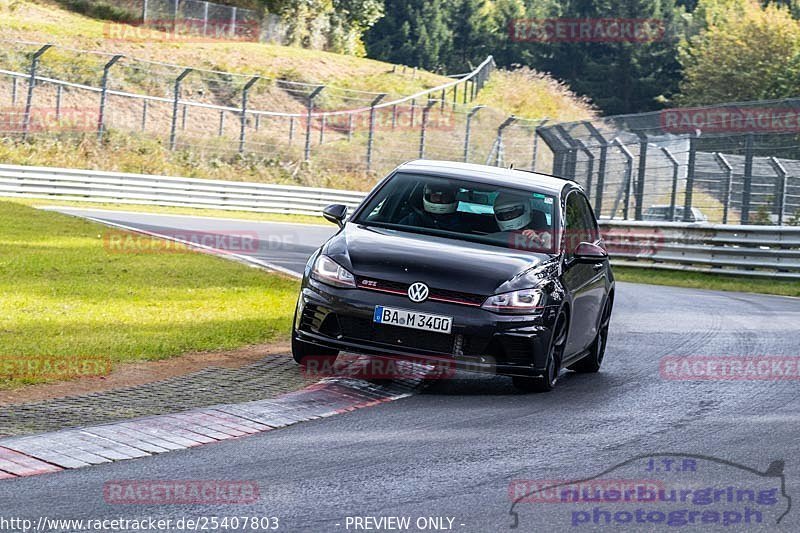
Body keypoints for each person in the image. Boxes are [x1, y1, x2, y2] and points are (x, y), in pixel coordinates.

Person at [398, 182, 464, 232]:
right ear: (428, 196)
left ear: (452, 197)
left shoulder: (462, 223)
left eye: (444, 196)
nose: (439, 199)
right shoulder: (413, 220)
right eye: (435, 195)